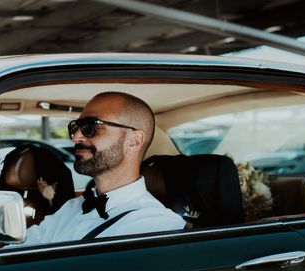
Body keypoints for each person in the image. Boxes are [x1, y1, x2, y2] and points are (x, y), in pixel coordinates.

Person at [23, 92, 185, 246]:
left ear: (134, 141)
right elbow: (15, 255)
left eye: (91, 126)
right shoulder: (71, 208)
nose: (76, 137)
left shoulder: (158, 226)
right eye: (76, 127)